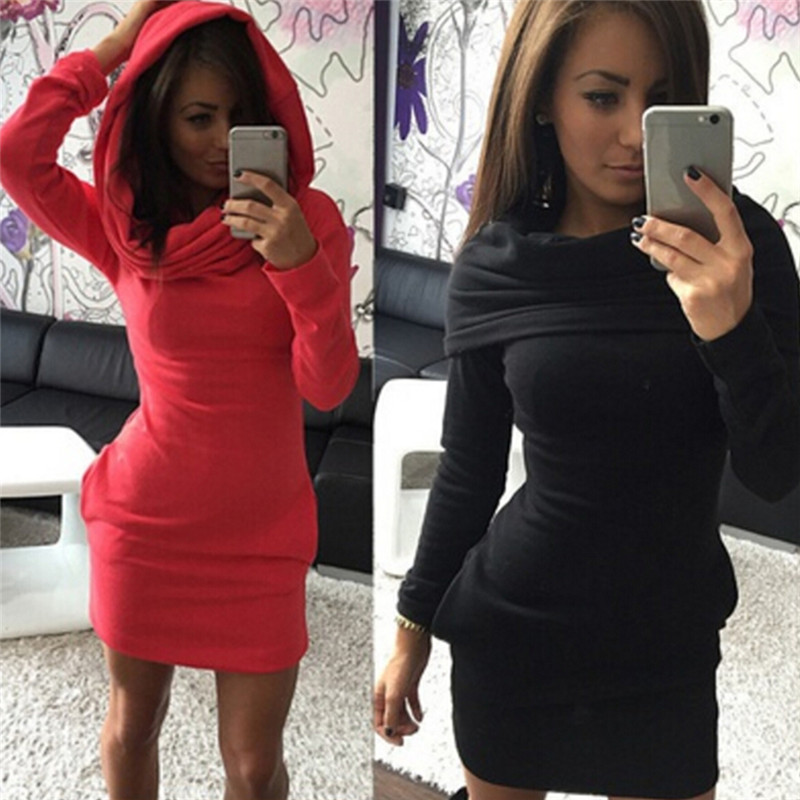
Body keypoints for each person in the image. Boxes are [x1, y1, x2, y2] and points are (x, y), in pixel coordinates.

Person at [373, 2, 799, 799]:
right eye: (603, 96)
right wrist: (412, 630)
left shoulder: (742, 252)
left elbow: (775, 472)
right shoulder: (497, 264)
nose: (635, 133)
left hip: (667, 650)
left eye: (660, 100)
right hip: (513, 641)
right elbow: (467, 470)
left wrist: (731, 329)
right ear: (542, 98)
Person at [0, 2, 359, 798]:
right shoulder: (127, 232)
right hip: (146, 524)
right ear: (158, 120)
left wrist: (300, 265)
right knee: (134, 723)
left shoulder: (310, 223)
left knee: (254, 767)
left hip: (263, 537)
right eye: (199, 118)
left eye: (242, 117)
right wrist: (114, 48)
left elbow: (328, 385)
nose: (224, 139)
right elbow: (17, 154)